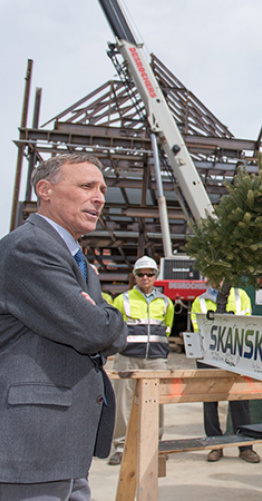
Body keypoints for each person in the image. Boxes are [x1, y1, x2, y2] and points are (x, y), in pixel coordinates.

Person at [0, 154, 127, 500]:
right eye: (86, 186)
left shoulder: (74, 257)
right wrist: (108, 317)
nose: (99, 197)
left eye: (102, 188)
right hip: (30, 451)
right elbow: (96, 332)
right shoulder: (29, 247)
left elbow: (97, 324)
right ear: (45, 189)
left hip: (64, 451)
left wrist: (102, 316)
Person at [109, 256, 175, 465]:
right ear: (134, 276)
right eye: (141, 274)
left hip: (155, 359)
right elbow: (114, 329)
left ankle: (153, 445)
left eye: (149, 274)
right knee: (122, 404)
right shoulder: (123, 300)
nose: (145, 277)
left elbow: (167, 328)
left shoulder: (166, 302)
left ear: (156, 276)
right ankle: (121, 447)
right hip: (127, 358)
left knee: (156, 403)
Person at [191, 281, 259, 463]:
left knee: (240, 400)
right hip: (209, 356)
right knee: (209, 401)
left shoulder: (240, 296)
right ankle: (215, 444)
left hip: (236, 355)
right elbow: (200, 329)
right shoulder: (200, 301)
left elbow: (246, 323)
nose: (217, 278)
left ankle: (245, 447)